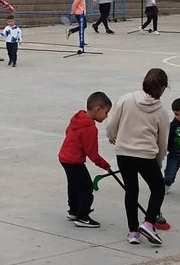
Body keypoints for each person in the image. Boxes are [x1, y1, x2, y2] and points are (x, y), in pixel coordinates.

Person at [105, 67, 170, 245]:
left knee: (131, 191)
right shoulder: (161, 112)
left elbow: (111, 123)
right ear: (163, 88)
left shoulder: (126, 99)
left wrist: (112, 137)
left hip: (124, 153)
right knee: (158, 189)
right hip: (146, 155)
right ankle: (148, 222)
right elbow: (162, 141)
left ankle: (133, 232)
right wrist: (159, 160)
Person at [57, 91, 113, 228]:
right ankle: (83, 216)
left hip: (64, 157)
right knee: (86, 187)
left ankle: (74, 210)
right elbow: (92, 154)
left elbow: (67, 132)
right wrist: (105, 165)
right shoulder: (90, 128)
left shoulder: (77, 117)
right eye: (106, 113)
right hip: (74, 161)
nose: (106, 116)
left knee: (74, 184)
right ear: (97, 109)